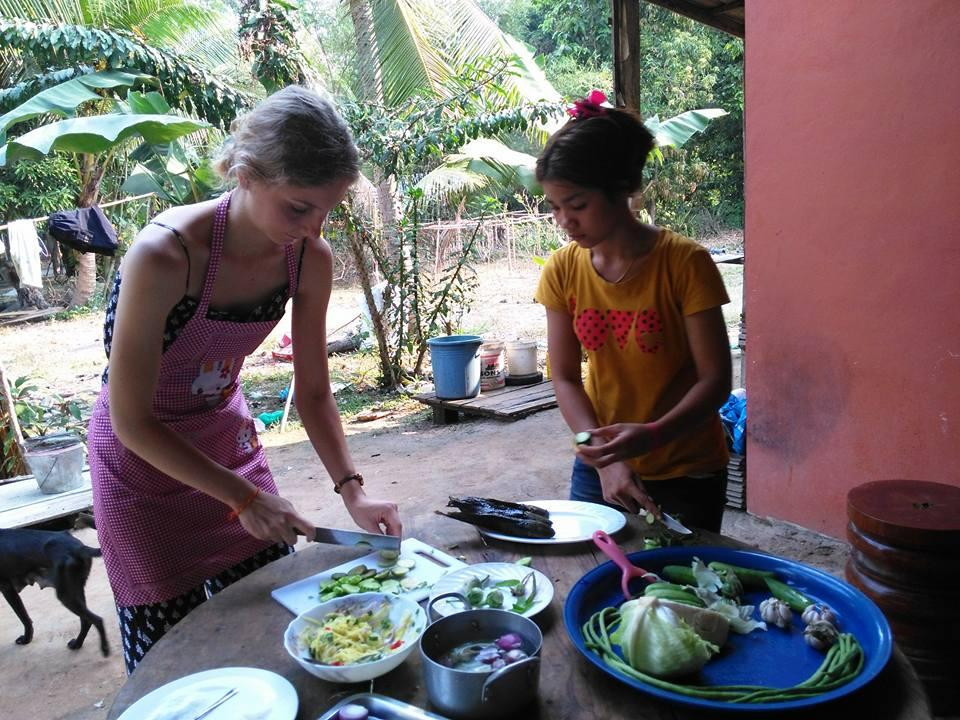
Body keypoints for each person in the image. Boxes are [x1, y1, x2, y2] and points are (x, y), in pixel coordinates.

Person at [88, 85, 402, 673]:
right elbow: (131, 419)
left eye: (326, 209)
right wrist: (244, 497)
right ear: (245, 172)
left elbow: (312, 392)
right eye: (298, 207)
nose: (313, 228)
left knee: (270, 625)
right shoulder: (165, 255)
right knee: (167, 659)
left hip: (227, 446)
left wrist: (352, 490)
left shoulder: (309, 258)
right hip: (141, 468)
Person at [534, 91, 731, 532]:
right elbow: (564, 377)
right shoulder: (562, 270)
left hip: (687, 469)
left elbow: (716, 381)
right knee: (595, 576)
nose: (565, 220)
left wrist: (655, 433)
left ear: (623, 188)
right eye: (555, 207)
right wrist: (599, 453)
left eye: (578, 205)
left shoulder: (684, 264)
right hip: (600, 463)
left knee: (684, 588)